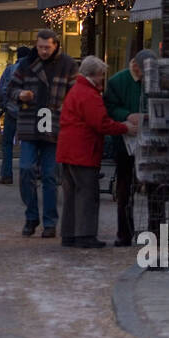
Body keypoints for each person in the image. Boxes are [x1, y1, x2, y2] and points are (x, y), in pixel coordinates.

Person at [7, 28, 77, 238]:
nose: (44, 51)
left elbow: (74, 94)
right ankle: (31, 217)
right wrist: (21, 94)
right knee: (26, 169)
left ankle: (49, 222)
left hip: (54, 125)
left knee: (49, 175)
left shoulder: (68, 65)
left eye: (47, 47)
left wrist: (66, 110)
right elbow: (9, 90)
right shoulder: (26, 64)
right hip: (30, 123)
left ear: (56, 45)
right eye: (40, 47)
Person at [57, 57, 130, 248]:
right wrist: (124, 127)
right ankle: (85, 234)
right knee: (87, 194)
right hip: (83, 150)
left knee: (71, 193)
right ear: (94, 74)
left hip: (68, 149)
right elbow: (101, 123)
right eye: (101, 75)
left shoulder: (76, 91)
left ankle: (69, 233)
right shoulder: (89, 95)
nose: (102, 79)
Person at [104, 49, 155, 246]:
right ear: (135, 66)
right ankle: (124, 232)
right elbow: (109, 107)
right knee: (125, 187)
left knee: (153, 187)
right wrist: (126, 116)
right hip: (125, 143)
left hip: (149, 142)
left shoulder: (152, 79)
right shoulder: (118, 81)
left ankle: (154, 230)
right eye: (143, 72)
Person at [0, 46, 29, 185]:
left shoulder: (10, 69)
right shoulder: (32, 70)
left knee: (7, 143)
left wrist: (3, 105)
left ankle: (6, 174)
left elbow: (1, 91)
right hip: (27, 113)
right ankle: (27, 175)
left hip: (11, 111)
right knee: (28, 144)